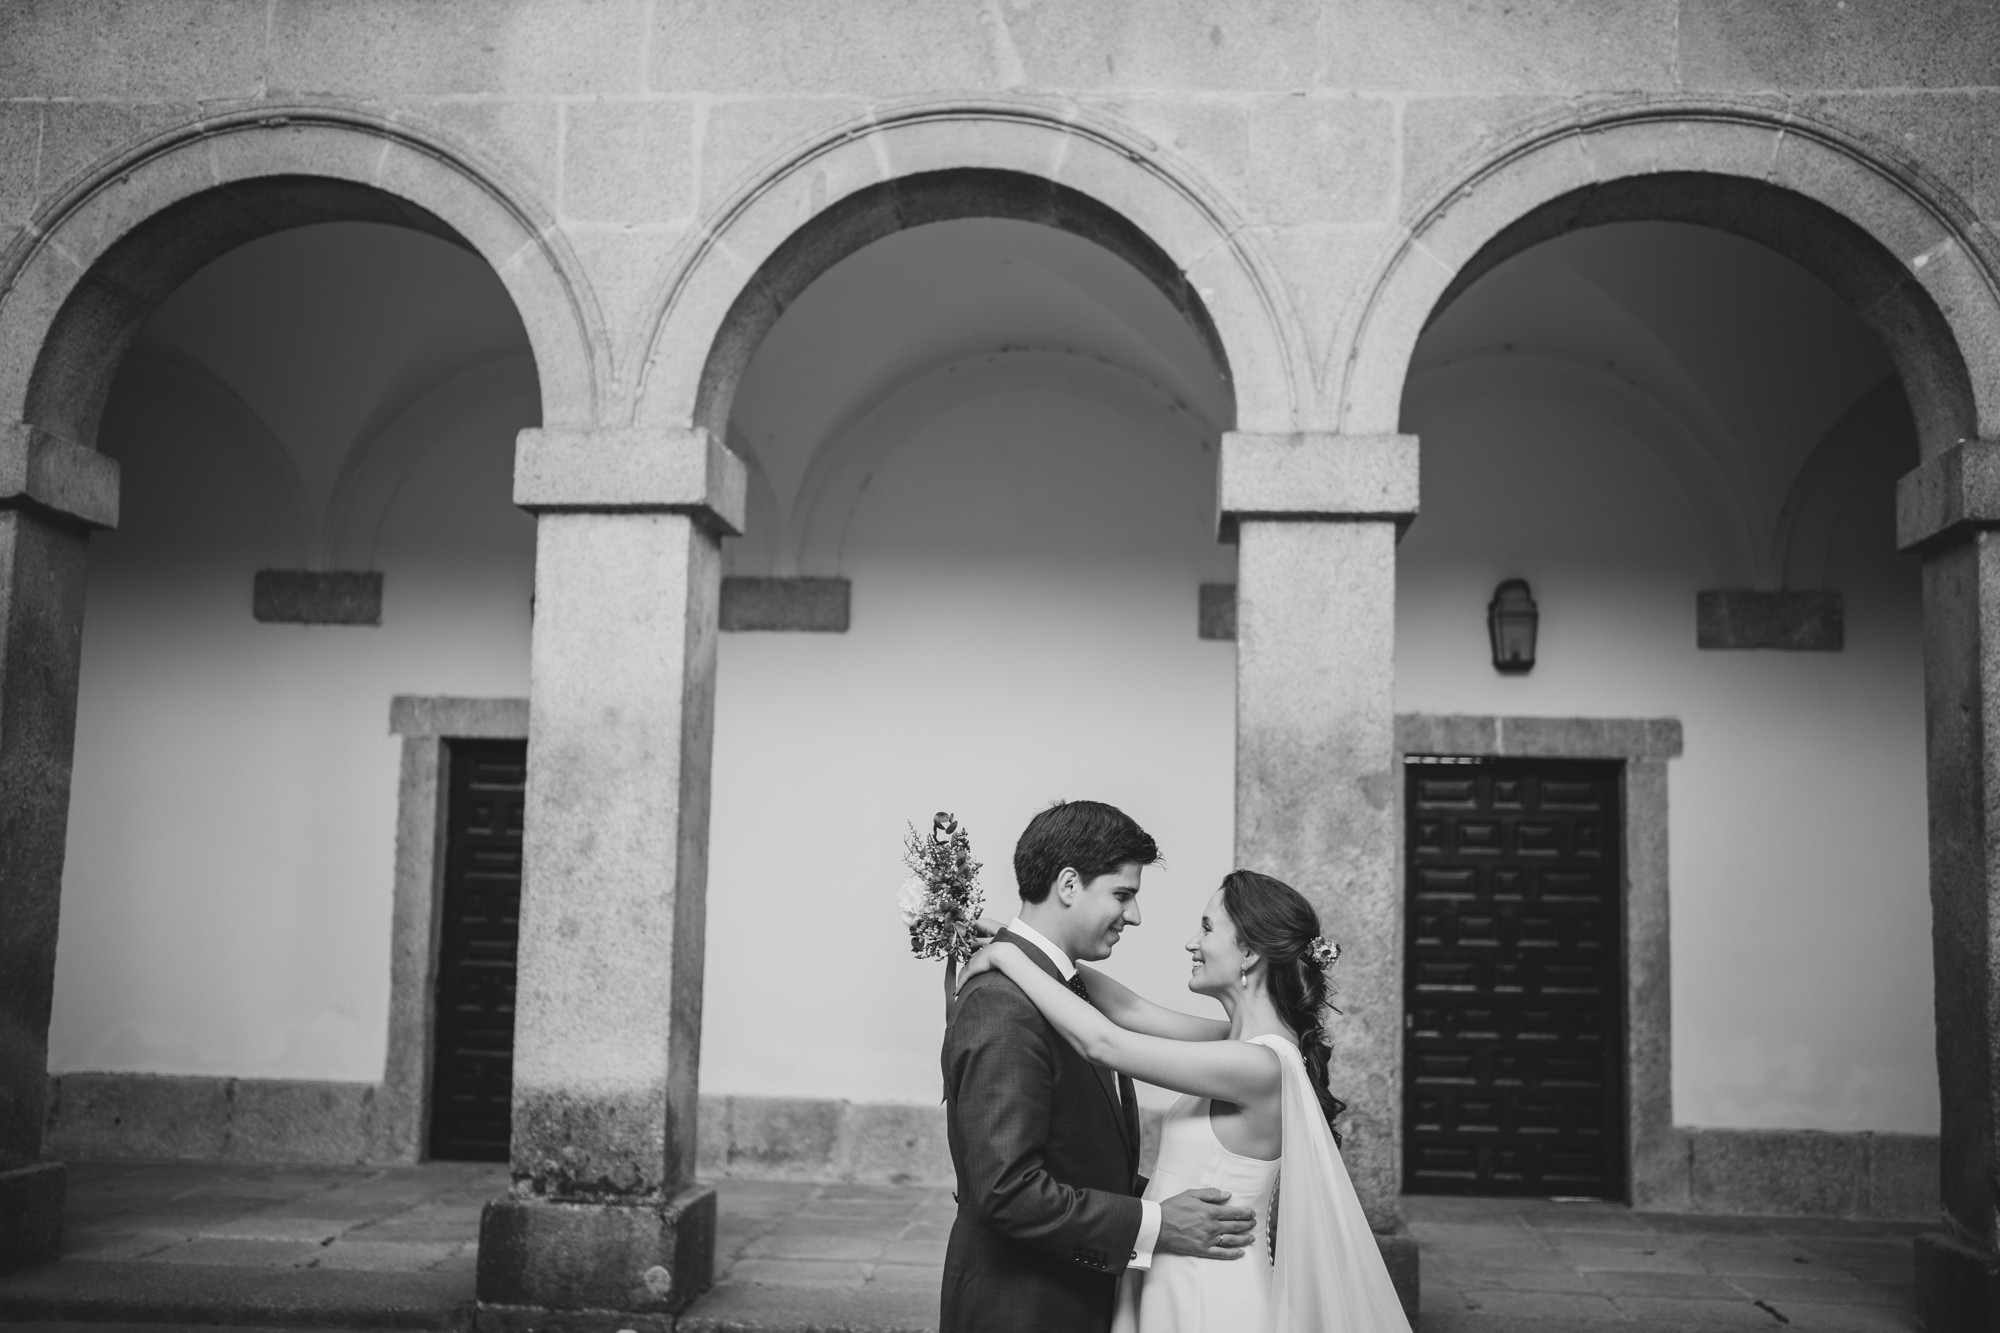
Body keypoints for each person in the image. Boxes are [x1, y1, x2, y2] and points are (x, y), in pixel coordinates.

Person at [956, 868, 1414, 1333]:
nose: (1192, 943)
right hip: (1178, 1271)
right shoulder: (1235, 1043)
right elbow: (1130, 1010)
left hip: (1209, 1292)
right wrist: (1025, 943)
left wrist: (1008, 959)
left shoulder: (1257, 1065)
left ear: (1250, 953)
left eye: (1208, 929)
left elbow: (1105, 1043)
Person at [939, 800, 1260, 1333]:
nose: (1134, 915)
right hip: (1023, 1309)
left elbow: (1081, 1156)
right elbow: (1004, 1191)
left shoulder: (1060, 988)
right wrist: (1157, 1223)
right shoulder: (1003, 1004)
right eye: (1123, 894)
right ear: (1069, 885)